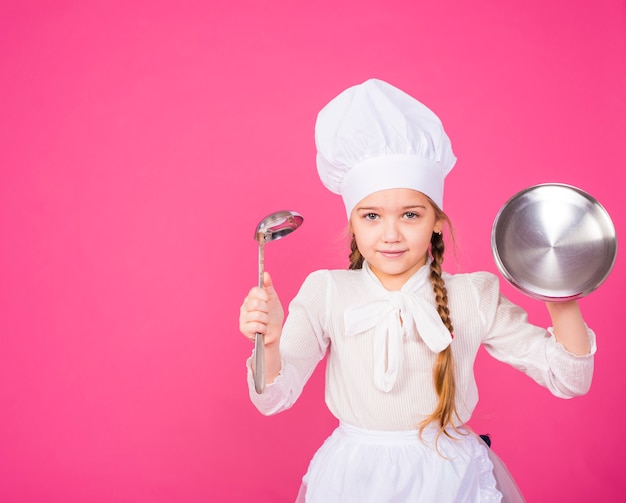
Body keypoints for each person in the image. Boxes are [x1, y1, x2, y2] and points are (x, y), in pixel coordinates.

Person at [238, 79, 595, 503]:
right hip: (353, 480)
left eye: (410, 214)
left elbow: (569, 379)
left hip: (450, 478)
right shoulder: (328, 292)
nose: (390, 234)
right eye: (371, 216)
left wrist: (560, 293)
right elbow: (272, 398)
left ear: (437, 220)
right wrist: (272, 343)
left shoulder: (473, 296)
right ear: (351, 221)